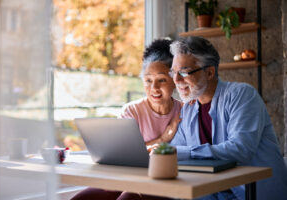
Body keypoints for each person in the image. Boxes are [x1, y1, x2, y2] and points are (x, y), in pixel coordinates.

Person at [169, 36, 287, 200]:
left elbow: (240, 150)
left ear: (209, 72)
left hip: (253, 193)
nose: (176, 80)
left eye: (183, 72)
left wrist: (184, 152)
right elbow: (175, 151)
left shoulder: (242, 94)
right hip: (215, 192)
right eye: (173, 72)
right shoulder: (188, 109)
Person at [71, 38, 182, 200]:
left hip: (164, 184)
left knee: (127, 198)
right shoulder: (132, 111)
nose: (154, 88)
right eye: (148, 80)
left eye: (162, 80)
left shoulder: (186, 112)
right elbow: (122, 156)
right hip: (126, 178)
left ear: (174, 80)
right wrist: (162, 139)